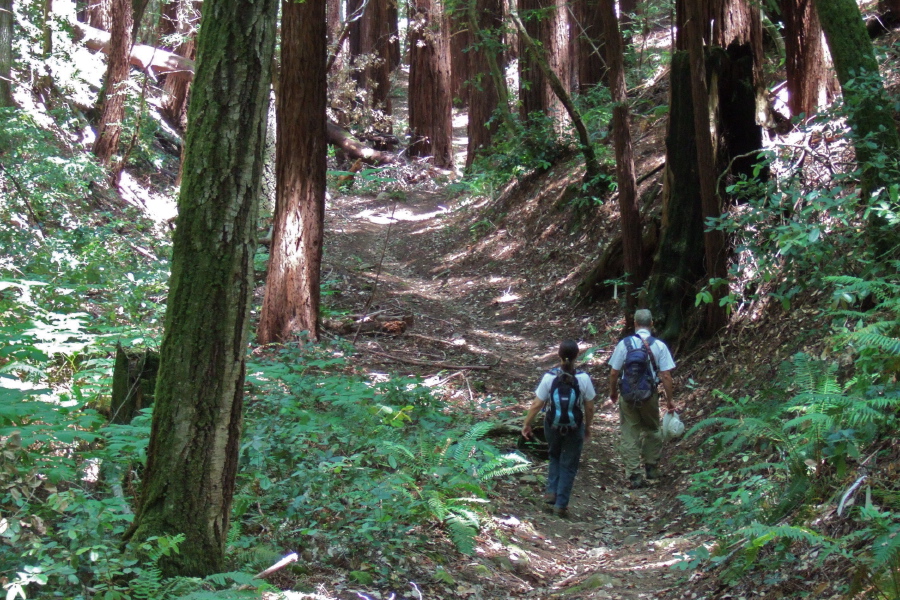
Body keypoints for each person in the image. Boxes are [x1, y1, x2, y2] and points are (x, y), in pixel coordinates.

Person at [522, 340, 596, 518]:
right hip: (574, 427)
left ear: (559, 355)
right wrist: (587, 427)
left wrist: (527, 423)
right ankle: (561, 505)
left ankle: (550, 493)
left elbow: (537, 404)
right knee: (569, 464)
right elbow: (590, 407)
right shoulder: (583, 379)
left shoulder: (549, 378)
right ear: (578, 355)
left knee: (554, 455)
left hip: (552, 425)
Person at [606, 309, 677, 489]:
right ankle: (651, 467)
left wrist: (613, 392)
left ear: (635, 324)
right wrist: (670, 400)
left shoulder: (624, 344)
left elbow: (614, 372)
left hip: (628, 395)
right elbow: (666, 376)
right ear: (651, 323)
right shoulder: (659, 346)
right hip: (649, 395)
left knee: (630, 433)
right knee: (653, 429)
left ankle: (634, 475)